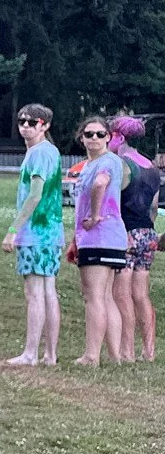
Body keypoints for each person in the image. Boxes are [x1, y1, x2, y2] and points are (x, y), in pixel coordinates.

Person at [1, 104, 63, 366]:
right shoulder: (50, 152)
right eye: (21, 121)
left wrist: (13, 230)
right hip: (51, 232)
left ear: (44, 125)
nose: (25, 126)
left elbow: (35, 195)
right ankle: (49, 355)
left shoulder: (39, 154)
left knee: (35, 292)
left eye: (32, 122)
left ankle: (31, 354)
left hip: (37, 233)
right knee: (48, 290)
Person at [73, 115, 128, 366]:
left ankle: (91, 355)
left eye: (99, 134)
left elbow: (99, 184)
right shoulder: (94, 163)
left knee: (93, 296)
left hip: (99, 236)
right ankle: (114, 356)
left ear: (109, 137)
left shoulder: (106, 162)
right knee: (106, 296)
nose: (94, 138)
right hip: (112, 238)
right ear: (81, 138)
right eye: (88, 134)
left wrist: (94, 216)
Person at [111, 116, 159, 361]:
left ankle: (126, 350)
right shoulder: (151, 167)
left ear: (118, 136)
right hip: (148, 234)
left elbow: (115, 201)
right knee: (141, 294)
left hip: (126, 233)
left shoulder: (122, 164)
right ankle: (149, 350)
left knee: (121, 294)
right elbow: (152, 207)